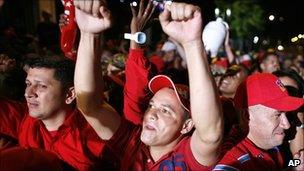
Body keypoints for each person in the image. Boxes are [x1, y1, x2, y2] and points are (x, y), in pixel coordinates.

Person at [74, 1, 223, 170]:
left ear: (187, 125)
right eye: (152, 105)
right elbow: (89, 105)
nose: (151, 114)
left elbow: (211, 135)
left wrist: (192, 43)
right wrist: (87, 34)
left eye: (165, 110)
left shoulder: (188, 158)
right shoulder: (132, 142)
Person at [0, 56, 116, 170]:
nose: (28, 93)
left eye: (42, 86)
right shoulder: (23, 119)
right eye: (28, 84)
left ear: (70, 95)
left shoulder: (95, 137)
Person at [213, 73, 304, 171]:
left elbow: (283, 165)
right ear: (246, 116)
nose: (287, 125)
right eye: (277, 115)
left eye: (286, 114)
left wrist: (296, 166)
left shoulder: (266, 143)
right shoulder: (232, 163)